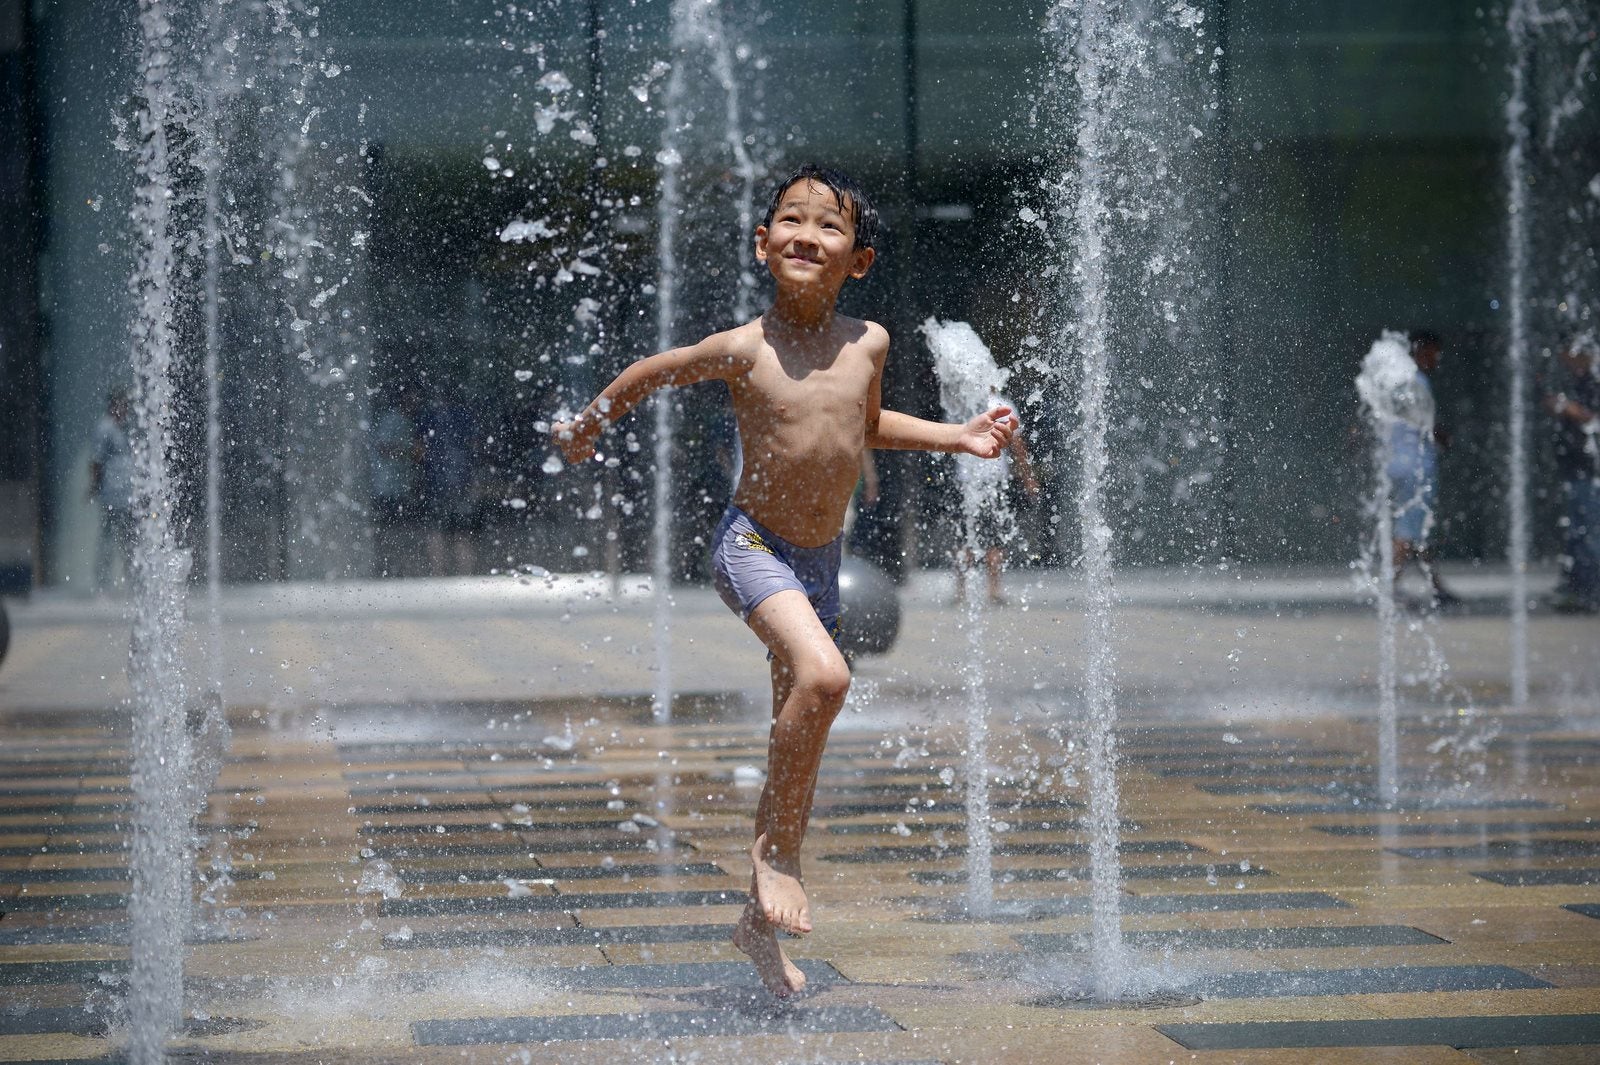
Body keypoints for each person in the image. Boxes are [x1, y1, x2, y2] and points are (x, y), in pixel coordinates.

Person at [552, 164, 1016, 997]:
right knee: (827, 676)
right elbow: (654, 370)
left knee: (794, 737)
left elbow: (864, 426)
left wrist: (958, 436)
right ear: (762, 244)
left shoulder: (868, 341)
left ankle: (755, 931)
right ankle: (779, 857)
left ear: (859, 259)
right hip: (752, 546)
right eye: (790, 221)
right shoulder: (744, 348)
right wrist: (590, 425)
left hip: (821, 563)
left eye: (828, 225)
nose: (808, 234)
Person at [1388, 330, 1458, 608]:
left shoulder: (1396, 380)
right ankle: (1389, 587)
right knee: (1407, 530)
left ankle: (1436, 584)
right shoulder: (1416, 381)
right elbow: (1424, 421)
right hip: (1416, 465)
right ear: (1421, 350)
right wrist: (1444, 437)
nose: (1436, 359)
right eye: (1433, 352)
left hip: (1398, 462)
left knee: (1417, 528)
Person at [951, 388, 1041, 606]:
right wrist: (1028, 477)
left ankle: (962, 592)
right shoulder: (1002, 405)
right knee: (994, 539)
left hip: (966, 480)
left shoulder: (961, 400)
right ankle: (993, 590)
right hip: (993, 480)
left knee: (964, 538)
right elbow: (1017, 444)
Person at [1544, 335, 1600, 613]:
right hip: (1577, 469)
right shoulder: (1576, 381)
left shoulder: (1594, 380)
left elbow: (1593, 418)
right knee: (1579, 531)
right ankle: (1578, 587)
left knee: (1589, 531)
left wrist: (1571, 410)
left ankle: (1590, 590)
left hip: (1591, 471)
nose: (1563, 359)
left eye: (1567, 353)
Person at [88, 389, 136, 594]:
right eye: (122, 405)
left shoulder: (126, 427)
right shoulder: (104, 428)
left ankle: (133, 582)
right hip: (111, 493)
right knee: (108, 540)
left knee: (129, 541)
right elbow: (96, 461)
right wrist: (94, 486)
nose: (125, 409)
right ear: (113, 406)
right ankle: (102, 584)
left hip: (127, 494)